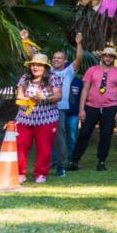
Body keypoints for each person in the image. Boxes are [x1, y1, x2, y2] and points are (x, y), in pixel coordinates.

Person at [68, 47, 117, 172]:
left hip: (110, 107)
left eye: (110, 56)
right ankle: (74, 161)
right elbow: (85, 89)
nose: (108, 58)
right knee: (84, 133)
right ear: (101, 57)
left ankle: (101, 161)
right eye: (105, 55)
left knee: (106, 135)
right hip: (91, 107)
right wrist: (81, 109)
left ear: (114, 58)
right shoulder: (92, 70)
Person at [15, 53, 62, 184]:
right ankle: (20, 173)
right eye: (33, 65)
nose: (35, 67)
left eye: (39, 65)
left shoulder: (53, 78)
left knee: (43, 147)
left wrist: (44, 98)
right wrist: (29, 99)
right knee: (20, 144)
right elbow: (19, 96)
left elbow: (58, 96)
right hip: (24, 118)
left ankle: (41, 173)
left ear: (45, 67)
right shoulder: (24, 78)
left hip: (46, 119)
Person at [49, 32, 83, 177]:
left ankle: (61, 165)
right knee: (46, 136)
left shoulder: (69, 72)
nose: (56, 59)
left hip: (60, 109)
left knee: (60, 136)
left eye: (60, 58)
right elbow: (33, 58)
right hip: (45, 108)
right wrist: (25, 41)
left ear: (65, 60)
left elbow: (79, 59)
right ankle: (51, 161)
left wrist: (79, 43)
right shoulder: (47, 71)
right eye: (55, 57)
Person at [64, 75, 83, 162]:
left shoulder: (78, 82)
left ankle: (72, 159)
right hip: (59, 113)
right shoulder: (58, 79)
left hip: (73, 114)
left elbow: (81, 98)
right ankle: (55, 161)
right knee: (56, 138)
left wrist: (81, 111)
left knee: (72, 137)